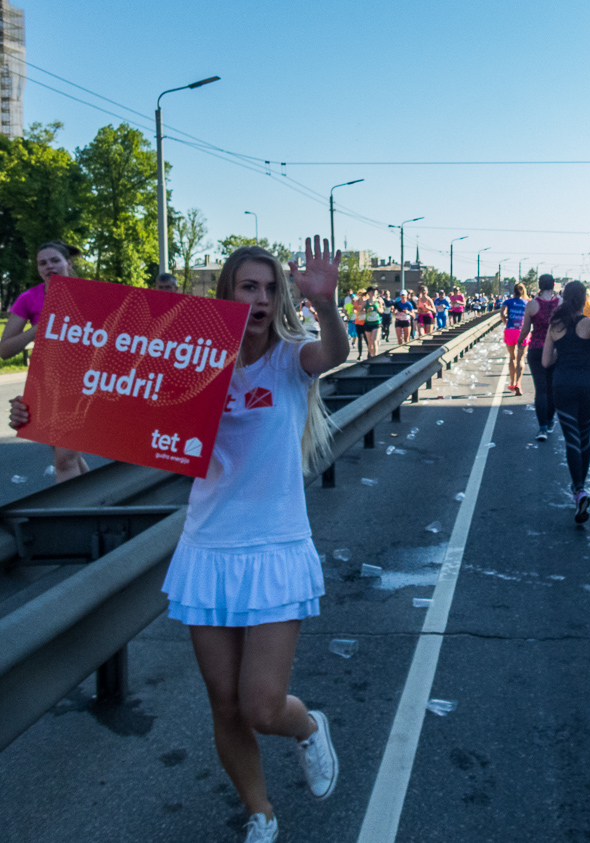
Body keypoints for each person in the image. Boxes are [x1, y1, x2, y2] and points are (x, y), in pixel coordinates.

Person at [9, 239, 347, 843]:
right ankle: (261, 814)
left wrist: (326, 305)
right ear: (227, 293)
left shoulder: (290, 359)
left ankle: (307, 728)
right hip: (207, 550)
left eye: (272, 288)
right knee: (225, 705)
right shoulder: (189, 361)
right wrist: (39, 409)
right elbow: (109, 397)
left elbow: (334, 352)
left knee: (262, 706)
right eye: (249, 286)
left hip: (275, 552)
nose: (262, 298)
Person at [1, 240, 91, 483]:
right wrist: (39, 329)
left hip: (86, 383)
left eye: (55, 260)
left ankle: (72, 518)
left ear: (68, 264)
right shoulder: (28, 299)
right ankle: (95, 506)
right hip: (47, 384)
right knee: (68, 455)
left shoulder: (92, 295)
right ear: (38, 268)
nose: (49, 266)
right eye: (42, 263)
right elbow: (5, 350)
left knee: (65, 460)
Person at [542, 280, 590, 523]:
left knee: (571, 438)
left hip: (563, 384)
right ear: (583, 301)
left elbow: (546, 362)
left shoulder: (555, 326)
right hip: (589, 385)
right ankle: (582, 489)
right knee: (584, 436)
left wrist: (563, 351)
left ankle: (578, 490)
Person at [518, 274, 560, 440]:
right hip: (556, 350)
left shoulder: (532, 304)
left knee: (541, 389)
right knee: (552, 388)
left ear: (539, 285)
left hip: (536, 349)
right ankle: (549, 421)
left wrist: (519, 342)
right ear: (554, 285)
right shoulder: (561, 303)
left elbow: (526, 328)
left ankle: (542, 428)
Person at [501, 283, 530, 394]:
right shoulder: (527, 303)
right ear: (523, 291)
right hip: (522, 331)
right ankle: (518, 383)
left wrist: (506, 322)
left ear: (513, 291)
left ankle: (512, 383)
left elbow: (502, 314)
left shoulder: (507, 302)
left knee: (512, 357)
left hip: (510, 331)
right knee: (520, 359)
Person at [362, 286, 382, 358]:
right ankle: (371, 356)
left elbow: (382, 311)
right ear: (368, 292)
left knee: (374, 341)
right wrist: (366, 311)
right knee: (370, 342)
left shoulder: (379, 301)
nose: (373, 292)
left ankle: (375, 357)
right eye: (371, 291)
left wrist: (377, 308)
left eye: (374, 291)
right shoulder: (365, 302)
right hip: (368, 323)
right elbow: (360, 312)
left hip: (376, 323)